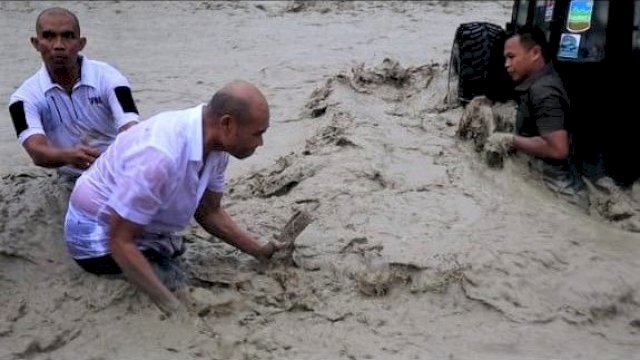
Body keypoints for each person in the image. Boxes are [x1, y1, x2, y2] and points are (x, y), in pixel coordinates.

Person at [64, 80, 283, 315]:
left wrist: (260, 251)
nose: (260, 143)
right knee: (175, 283)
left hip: (136, 228)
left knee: (175, 262)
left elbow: (209, 212)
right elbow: (119, 241)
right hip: (97, 236)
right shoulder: (159, 157)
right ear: (227, 124)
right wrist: (174, 309)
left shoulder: (217, 146)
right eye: (258, 133)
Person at [8, 7, 139, 188]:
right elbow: (36, 152)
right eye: (49, 36)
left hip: (118, 169)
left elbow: (131, 128)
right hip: (70, 178)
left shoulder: (111, 78)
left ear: (81, 43)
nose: (59, 45)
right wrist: (68, 156)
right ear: (36, 43)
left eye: (68, 36)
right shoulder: (22, 99)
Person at [483, 25, 587, 207]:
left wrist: (509, 140)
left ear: (535, 53)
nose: (506, 64)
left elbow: (557, 148)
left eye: (511, 57)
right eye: (505, 58)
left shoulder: (543, 91)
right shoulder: (540, 83)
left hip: (561, 195)